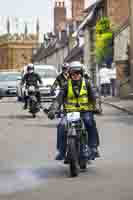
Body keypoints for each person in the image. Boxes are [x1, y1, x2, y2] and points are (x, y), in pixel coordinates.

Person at [48, 61, 100, 161]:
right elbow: (59, 99)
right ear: (70, 74)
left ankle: (93, 147)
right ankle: (61, 151)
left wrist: (97, 107)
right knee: (62, 126)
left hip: (85, 111)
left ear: (81, 73)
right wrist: (53, 110)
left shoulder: (87, 83)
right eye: (73, 73)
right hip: (70, 112)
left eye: (78, 73)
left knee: (89, 122)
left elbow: (95, 97)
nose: (75, 75)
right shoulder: (66, 85)